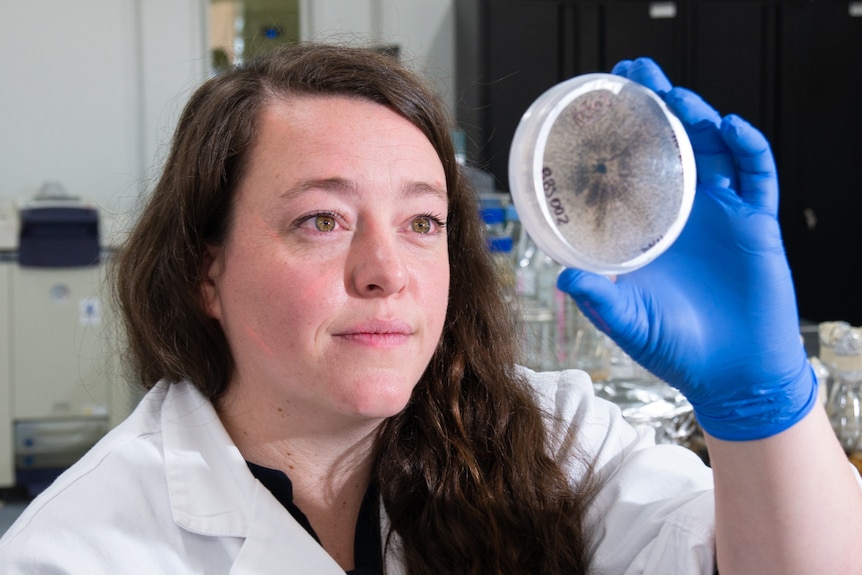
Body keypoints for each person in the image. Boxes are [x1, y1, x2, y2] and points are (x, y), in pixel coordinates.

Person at [1, 42, 860, 574]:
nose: (387, 271)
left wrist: (760, 402)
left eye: (421, 222)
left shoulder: (553, 439)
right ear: (204, 271)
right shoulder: (81, 550)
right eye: (321, 219)